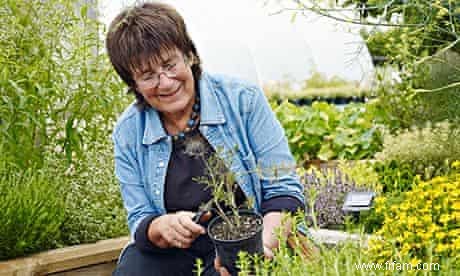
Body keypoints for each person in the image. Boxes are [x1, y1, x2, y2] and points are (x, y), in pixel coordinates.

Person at [106, 2, 305, 275]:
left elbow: (283, 191)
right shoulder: (128, 131)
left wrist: (261, 251)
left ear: (189, 56)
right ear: (133, 84)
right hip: (175, 253)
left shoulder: (243, 100)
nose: (164, 82)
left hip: (247, 240)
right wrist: (160, 227)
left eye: (169, 64)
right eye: (148, 75)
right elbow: (140, 217)